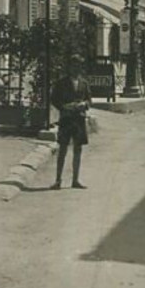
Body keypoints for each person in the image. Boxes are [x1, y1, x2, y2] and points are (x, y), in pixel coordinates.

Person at [51, 53, 92, 189]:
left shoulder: (84, 83)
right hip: (66, 118)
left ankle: (75, 180)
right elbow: (54, 99)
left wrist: (84, 105)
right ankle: (58, 180)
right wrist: (63, 106)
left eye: (79, 66)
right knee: (62, 148)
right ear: (69, 67)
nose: (76, 69)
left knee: (78, 148)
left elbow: (89, 100)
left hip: (79, 119)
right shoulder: (61, 83)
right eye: (74, 66)